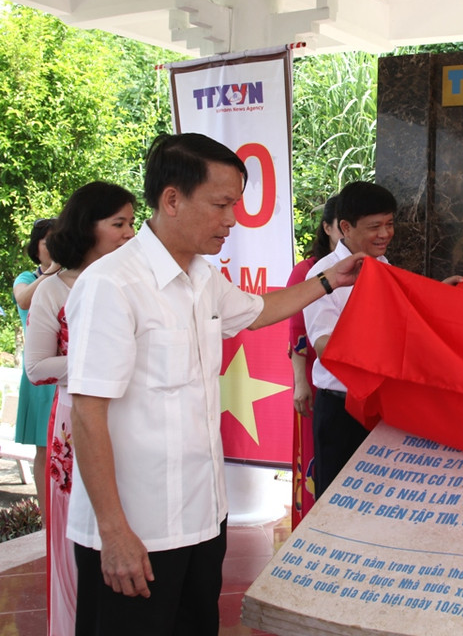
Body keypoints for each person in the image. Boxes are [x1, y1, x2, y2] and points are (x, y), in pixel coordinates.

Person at [64, 133, 364, 636]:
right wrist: (114, 532)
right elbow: (88, 413)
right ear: (172, 199)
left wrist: (332, 280)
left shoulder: (204, 277)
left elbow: (260, 311)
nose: (232, 219)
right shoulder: (112, 286)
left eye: (236, 205)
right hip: (135, 531)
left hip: (201, 520)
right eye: (221, 204)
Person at [24, 182, 136, 636]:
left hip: (127, 418)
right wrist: (99, 357)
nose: (130, 233)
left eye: (131, 222)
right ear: (88, 228)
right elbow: (35, 368)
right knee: (79, 530)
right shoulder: (54, 289)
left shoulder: (129, 281)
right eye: (118, 224)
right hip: (75, 424)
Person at [303, 182, 397, 498]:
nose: (385, 233)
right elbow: (325, 346)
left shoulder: (383, 266)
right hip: (341, 409)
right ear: (345, 227)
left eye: (390, 224)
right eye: (375, 226)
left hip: (380, 404)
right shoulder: (321, 275)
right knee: (336, 504)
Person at [287, 194, 341, 526]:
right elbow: (296, 331)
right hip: (313, 373)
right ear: (330, 227)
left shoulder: (379, 267)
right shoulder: (309, 270)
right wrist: (300, 382)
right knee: (315, 455)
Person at [12, 218, 58, 525]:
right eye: (47, 242)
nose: (54, 248)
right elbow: (24, 298)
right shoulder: (27, 277)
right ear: (36, 247)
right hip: (41, 374)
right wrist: (53, 273)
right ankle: (47, 518)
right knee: (44, 446)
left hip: (65, 369)